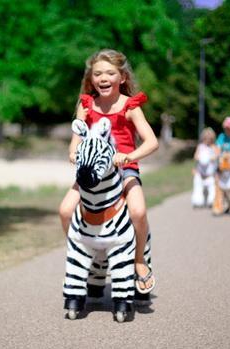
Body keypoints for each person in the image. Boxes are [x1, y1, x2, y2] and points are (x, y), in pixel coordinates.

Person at [58, 49, 158, 294]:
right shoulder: (87, 105)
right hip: (93, 171)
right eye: (98, 73)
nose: (103, 78)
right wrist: (74, 154)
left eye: (110, 73)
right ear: (91, 78)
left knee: (138, 211)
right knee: (65, 210)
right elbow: (75, 142)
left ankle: (138, 260)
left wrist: (128, 157)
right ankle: (85, 254)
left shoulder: (130, 106)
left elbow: (151, 142)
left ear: (122, 77)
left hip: (124, 170)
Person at [191, 127, 217, 207]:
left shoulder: (214, 147)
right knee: (198, 189)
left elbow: (216, 157)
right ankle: (198, 201)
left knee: (212, 190)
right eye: (205, 138)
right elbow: (195, 157)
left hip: (210, 175)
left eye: (209, 138)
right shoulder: (200, 146)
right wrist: (200, 158)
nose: (207, 140)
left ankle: (212, 201)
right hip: (200, 173)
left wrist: (210, 158)